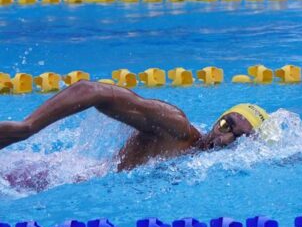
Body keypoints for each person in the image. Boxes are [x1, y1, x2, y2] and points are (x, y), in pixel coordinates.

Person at [0, 80, 270, 171]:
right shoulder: (177, 129)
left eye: (238, 138)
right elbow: (92, 91)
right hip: (36, 179)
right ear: (217, 120)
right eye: (226, 124)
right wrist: (27, 128)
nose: (224, 138)